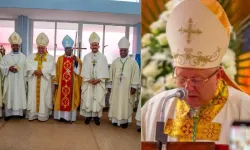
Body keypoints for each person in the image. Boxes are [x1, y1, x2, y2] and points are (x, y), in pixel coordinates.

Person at [141, 0, 250, 145]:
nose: (188, 87)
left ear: (218, 75)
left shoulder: (242, 110)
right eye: (181, 78)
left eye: (196, 80)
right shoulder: (155, 108)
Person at [107, 37, 140, 128]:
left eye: (124, 50)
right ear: (119, 50)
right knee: (116, 102)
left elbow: (136, 75)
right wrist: (109, 85)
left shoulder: (133, 63)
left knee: (125, 104)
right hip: (116, 87)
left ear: (128, 50)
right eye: (121, 50)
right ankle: (114, 120)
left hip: (127, 88)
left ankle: (124, 121)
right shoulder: (115, 62)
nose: (122, 52)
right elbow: (110, 74)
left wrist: (133, 87)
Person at [80, 32, 109, 125]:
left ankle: (96, 117)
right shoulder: (86, 57)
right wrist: (88, 79)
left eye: (96, 45)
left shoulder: (103, 57)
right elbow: (84, 69)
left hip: (98, 82)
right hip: (88, 82)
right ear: (90, 46)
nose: (94, 47)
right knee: (88, 99)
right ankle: (88, 116)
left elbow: (105, 70)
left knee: (97, 99)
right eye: (92, 45)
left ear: (99, 46)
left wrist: (99, 79)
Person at [26, 32, 55, 121]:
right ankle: (33, 114)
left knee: (44, 96)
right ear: (37, 47)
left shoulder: (50, 58)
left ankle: (43, 115)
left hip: (44, 82)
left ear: (46, 47)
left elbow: (51, 67)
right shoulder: (31, 56)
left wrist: (42, 72)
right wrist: (34, 71)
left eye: (43, 48)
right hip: (33, 80)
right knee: (32, 95)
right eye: (39, 48)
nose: (41, 49)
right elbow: (28, 65)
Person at [53, 35, 82, 122]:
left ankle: (70, 117)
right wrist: (56, 83)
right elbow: (57, 71)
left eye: (69, 48)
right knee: (60, 99)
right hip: (61, 84)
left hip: (72, 85)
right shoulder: (60, 59)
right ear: (64, 49)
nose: (67, 50)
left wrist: (76, 62)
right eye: (66, 49)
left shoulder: (76, 59)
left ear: (72, 49)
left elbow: (78, 72)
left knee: (70, 99)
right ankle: (60, 117)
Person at [0, 32, 27, 121]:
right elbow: (2, 66)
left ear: (19, 46)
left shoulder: (24, 57)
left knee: (19, 95)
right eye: (13, 45)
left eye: (17, 46)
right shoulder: (6, 57)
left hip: (20, 80)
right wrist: (8, 68)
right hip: (10, 80)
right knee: (10, 94)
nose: (15, 47)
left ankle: (19, 113)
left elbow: (26, 68)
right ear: (11, 46)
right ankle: (8, 114)